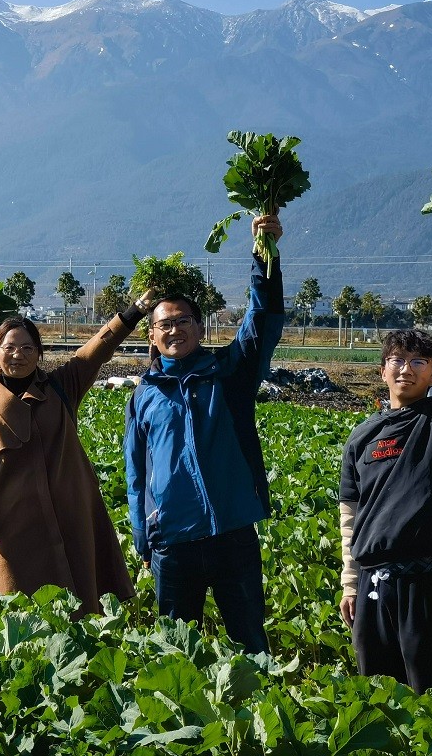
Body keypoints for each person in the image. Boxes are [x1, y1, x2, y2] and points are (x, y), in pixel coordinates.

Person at [124, 215, 283, 654]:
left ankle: (259, 719)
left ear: (200, 326)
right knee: (179, 654)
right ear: (152, 336)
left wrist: (263, 254)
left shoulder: (229, 374)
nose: (174, 330)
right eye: (164, 324)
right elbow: (136, 475)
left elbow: (261, 321)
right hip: (172, 542)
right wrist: (144, 537)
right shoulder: (143, 397)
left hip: (231, 531)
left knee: (250, 640)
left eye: (183, 320)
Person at [338, 251, 432, 692]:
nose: (406, 368)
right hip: (371, 582)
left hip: (427, 577)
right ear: (383, 369)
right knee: (378, 693)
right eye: (398, 360)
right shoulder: (362, 437)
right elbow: (350, 517)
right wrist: (349, 582)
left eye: (419, 362)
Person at [0, 291, 154, 616]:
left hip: (73, 519)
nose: (18, 355)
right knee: (27, 618)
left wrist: (133, 312)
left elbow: (97, 349)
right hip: (17, 532)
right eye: (9, 348)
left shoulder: (61, 385)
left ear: (39, 352)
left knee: (83, 610)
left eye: (27, 348)